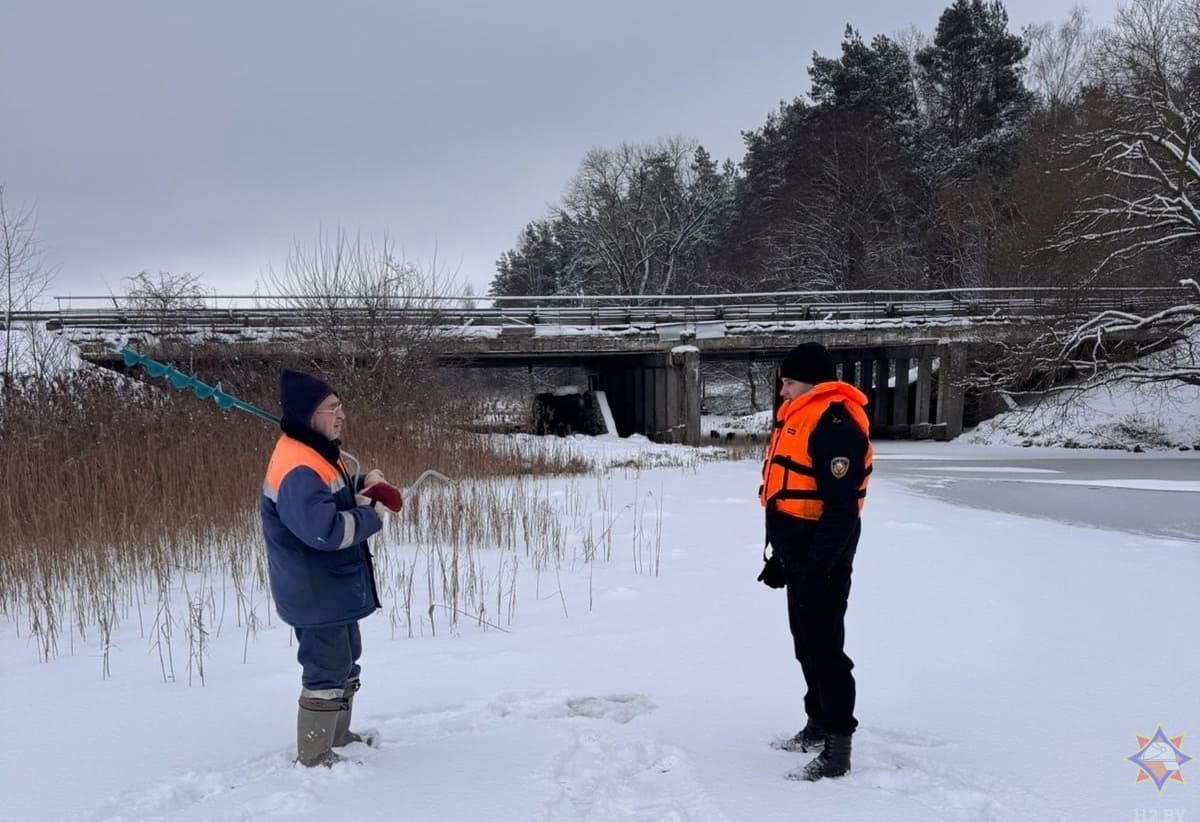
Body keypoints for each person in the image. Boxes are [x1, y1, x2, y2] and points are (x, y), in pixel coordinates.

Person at [260, 369, 402, 767]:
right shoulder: (298, 467)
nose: (341, 416)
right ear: (308, 415)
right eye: (331, 409)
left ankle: (339, 736)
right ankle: (315, 754)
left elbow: (332, 496)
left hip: (331, 587)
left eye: (341, 406)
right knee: (325, 667)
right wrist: (371, 515)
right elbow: (322, 532)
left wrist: (363, 482)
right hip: (313, 590)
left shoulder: (319, 450)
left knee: (346, 658)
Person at [758, 342, 872, 781]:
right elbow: (787, 493)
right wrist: (780, 557)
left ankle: (838, 747)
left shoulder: (835, 422)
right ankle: (818, 723)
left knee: (825, 647)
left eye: (788, 382)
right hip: (797, 549)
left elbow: (841, 508)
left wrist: (821, 564)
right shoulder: (798, 416)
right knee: (805, 643)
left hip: (822, 551)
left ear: (811, 382)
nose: (782, 391)